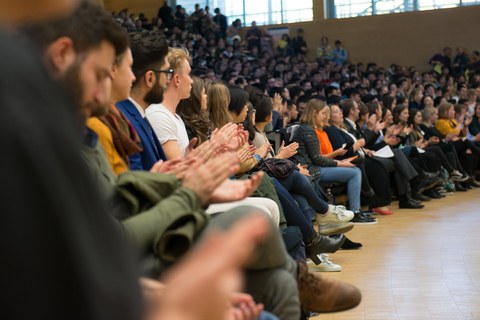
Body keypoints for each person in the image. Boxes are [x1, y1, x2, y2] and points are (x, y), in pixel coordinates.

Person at [25, 3, 362, 318]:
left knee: (274, 269)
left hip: (147, 241)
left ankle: (302, 269)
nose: (115, 85)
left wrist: (182, 174)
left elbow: (123, 189)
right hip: (147, 250)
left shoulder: (101, 123)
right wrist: (192, 185)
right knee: (259, 219)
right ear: (61, 57)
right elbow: (108, 236)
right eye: (104, 74)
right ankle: (307, 258)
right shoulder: (91, 127)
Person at [116, 34, 170, 171]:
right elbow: (137, 182)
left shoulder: (136, 114)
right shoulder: (123, 120)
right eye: (167, 72)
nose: (168, 81)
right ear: (150, 78)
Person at [146, 47, 193, 159]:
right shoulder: (158, 115)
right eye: (189, 74)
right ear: (177, 79)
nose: (191, 81)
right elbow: (177, 169)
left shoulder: (175, 117)